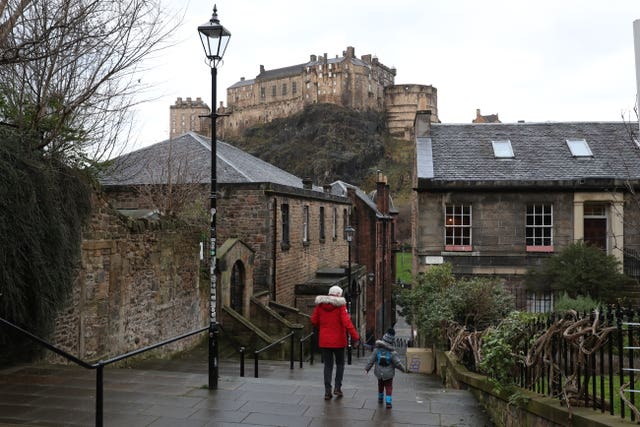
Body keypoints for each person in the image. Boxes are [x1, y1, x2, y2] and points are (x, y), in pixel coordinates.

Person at [310, 285, 360, 400]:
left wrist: (323, 327)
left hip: (325, 341)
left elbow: (313, 320)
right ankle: (337, 388)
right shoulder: (340, 307)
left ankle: (327, 391)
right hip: (338, 341)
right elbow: (347, 323)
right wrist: (355, 337)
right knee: (340, 364)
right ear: (339, 295)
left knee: (328, 365)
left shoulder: (320, 305)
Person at [364, 328, 407, 409]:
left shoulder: (377, 349)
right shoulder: (392, 353)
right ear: (392, 341)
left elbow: (371, 360)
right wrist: (404, 369)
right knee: (388, 387)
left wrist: (367, 368)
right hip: (389, 374)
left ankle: (380, 398)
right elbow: (397, 363)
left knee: (380, 385)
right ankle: (388, 402)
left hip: (379, 372)